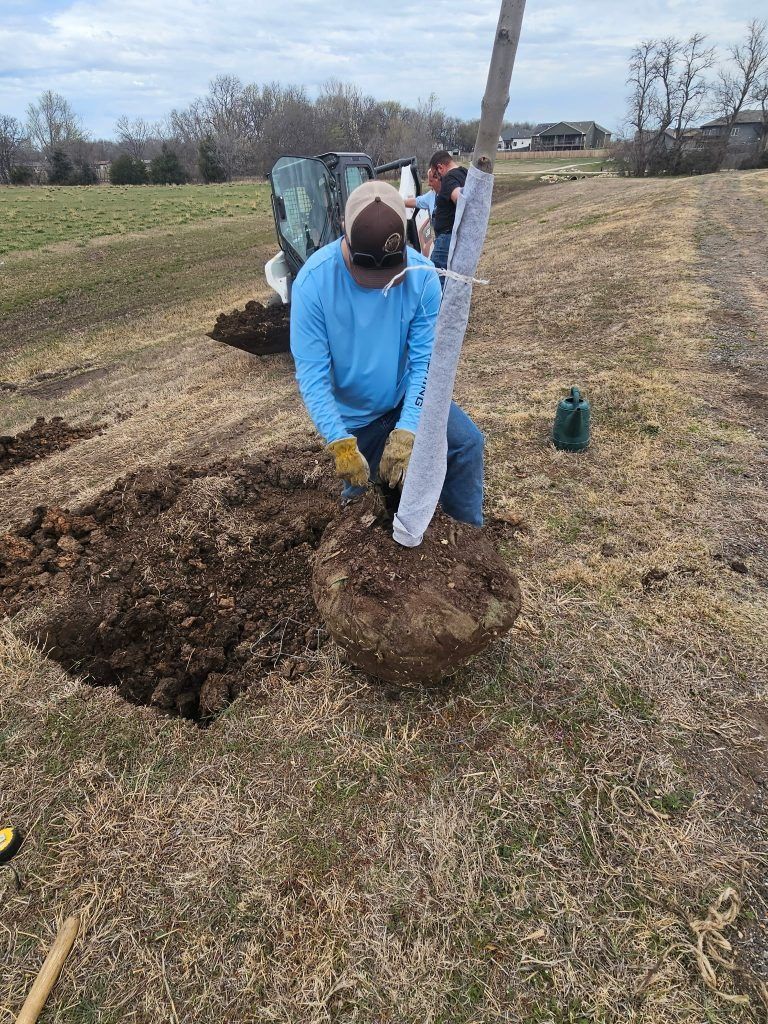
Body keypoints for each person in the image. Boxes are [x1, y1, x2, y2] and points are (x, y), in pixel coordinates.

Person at [289, 179, 484, 527]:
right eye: (367, 273)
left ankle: (468, 539)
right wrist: (340, 443)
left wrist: (409, 427)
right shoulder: (313, 284)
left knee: (466, 445)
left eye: (386, 275)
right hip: (356, 423)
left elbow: (425, 362)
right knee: (364, 509)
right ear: (344, 232)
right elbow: (312, 377)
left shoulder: (421, 276)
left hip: (404, 399)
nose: (378, 284)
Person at [429, 150, 468, 288]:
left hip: (446, 239)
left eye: (435, 174)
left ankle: (438, 309)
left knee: (436, 281)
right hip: (457, 236)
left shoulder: (449, 178)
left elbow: (460, 199)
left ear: (440, 167)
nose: (437, 178)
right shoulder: (464, 173)